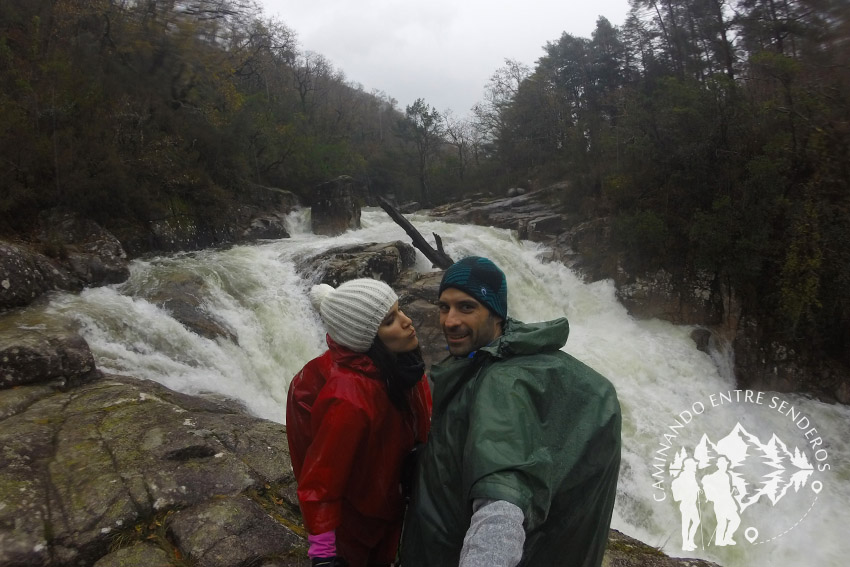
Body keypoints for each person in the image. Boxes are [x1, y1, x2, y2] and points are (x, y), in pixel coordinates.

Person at [400, 256, 621, 567]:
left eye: (466, 307)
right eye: (444, 306)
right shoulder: (496, 359)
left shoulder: (500, 382)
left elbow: (501, 506)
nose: (449, 320)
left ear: (496, 315)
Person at [287, 278, 432, 567]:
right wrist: (324, 554)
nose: (407, 321)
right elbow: (321, 486)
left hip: (390, 501)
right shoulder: (348, 399)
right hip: (357, 524)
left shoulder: (400, 367)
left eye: (400, 310)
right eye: (390, 320)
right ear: (368, 340)